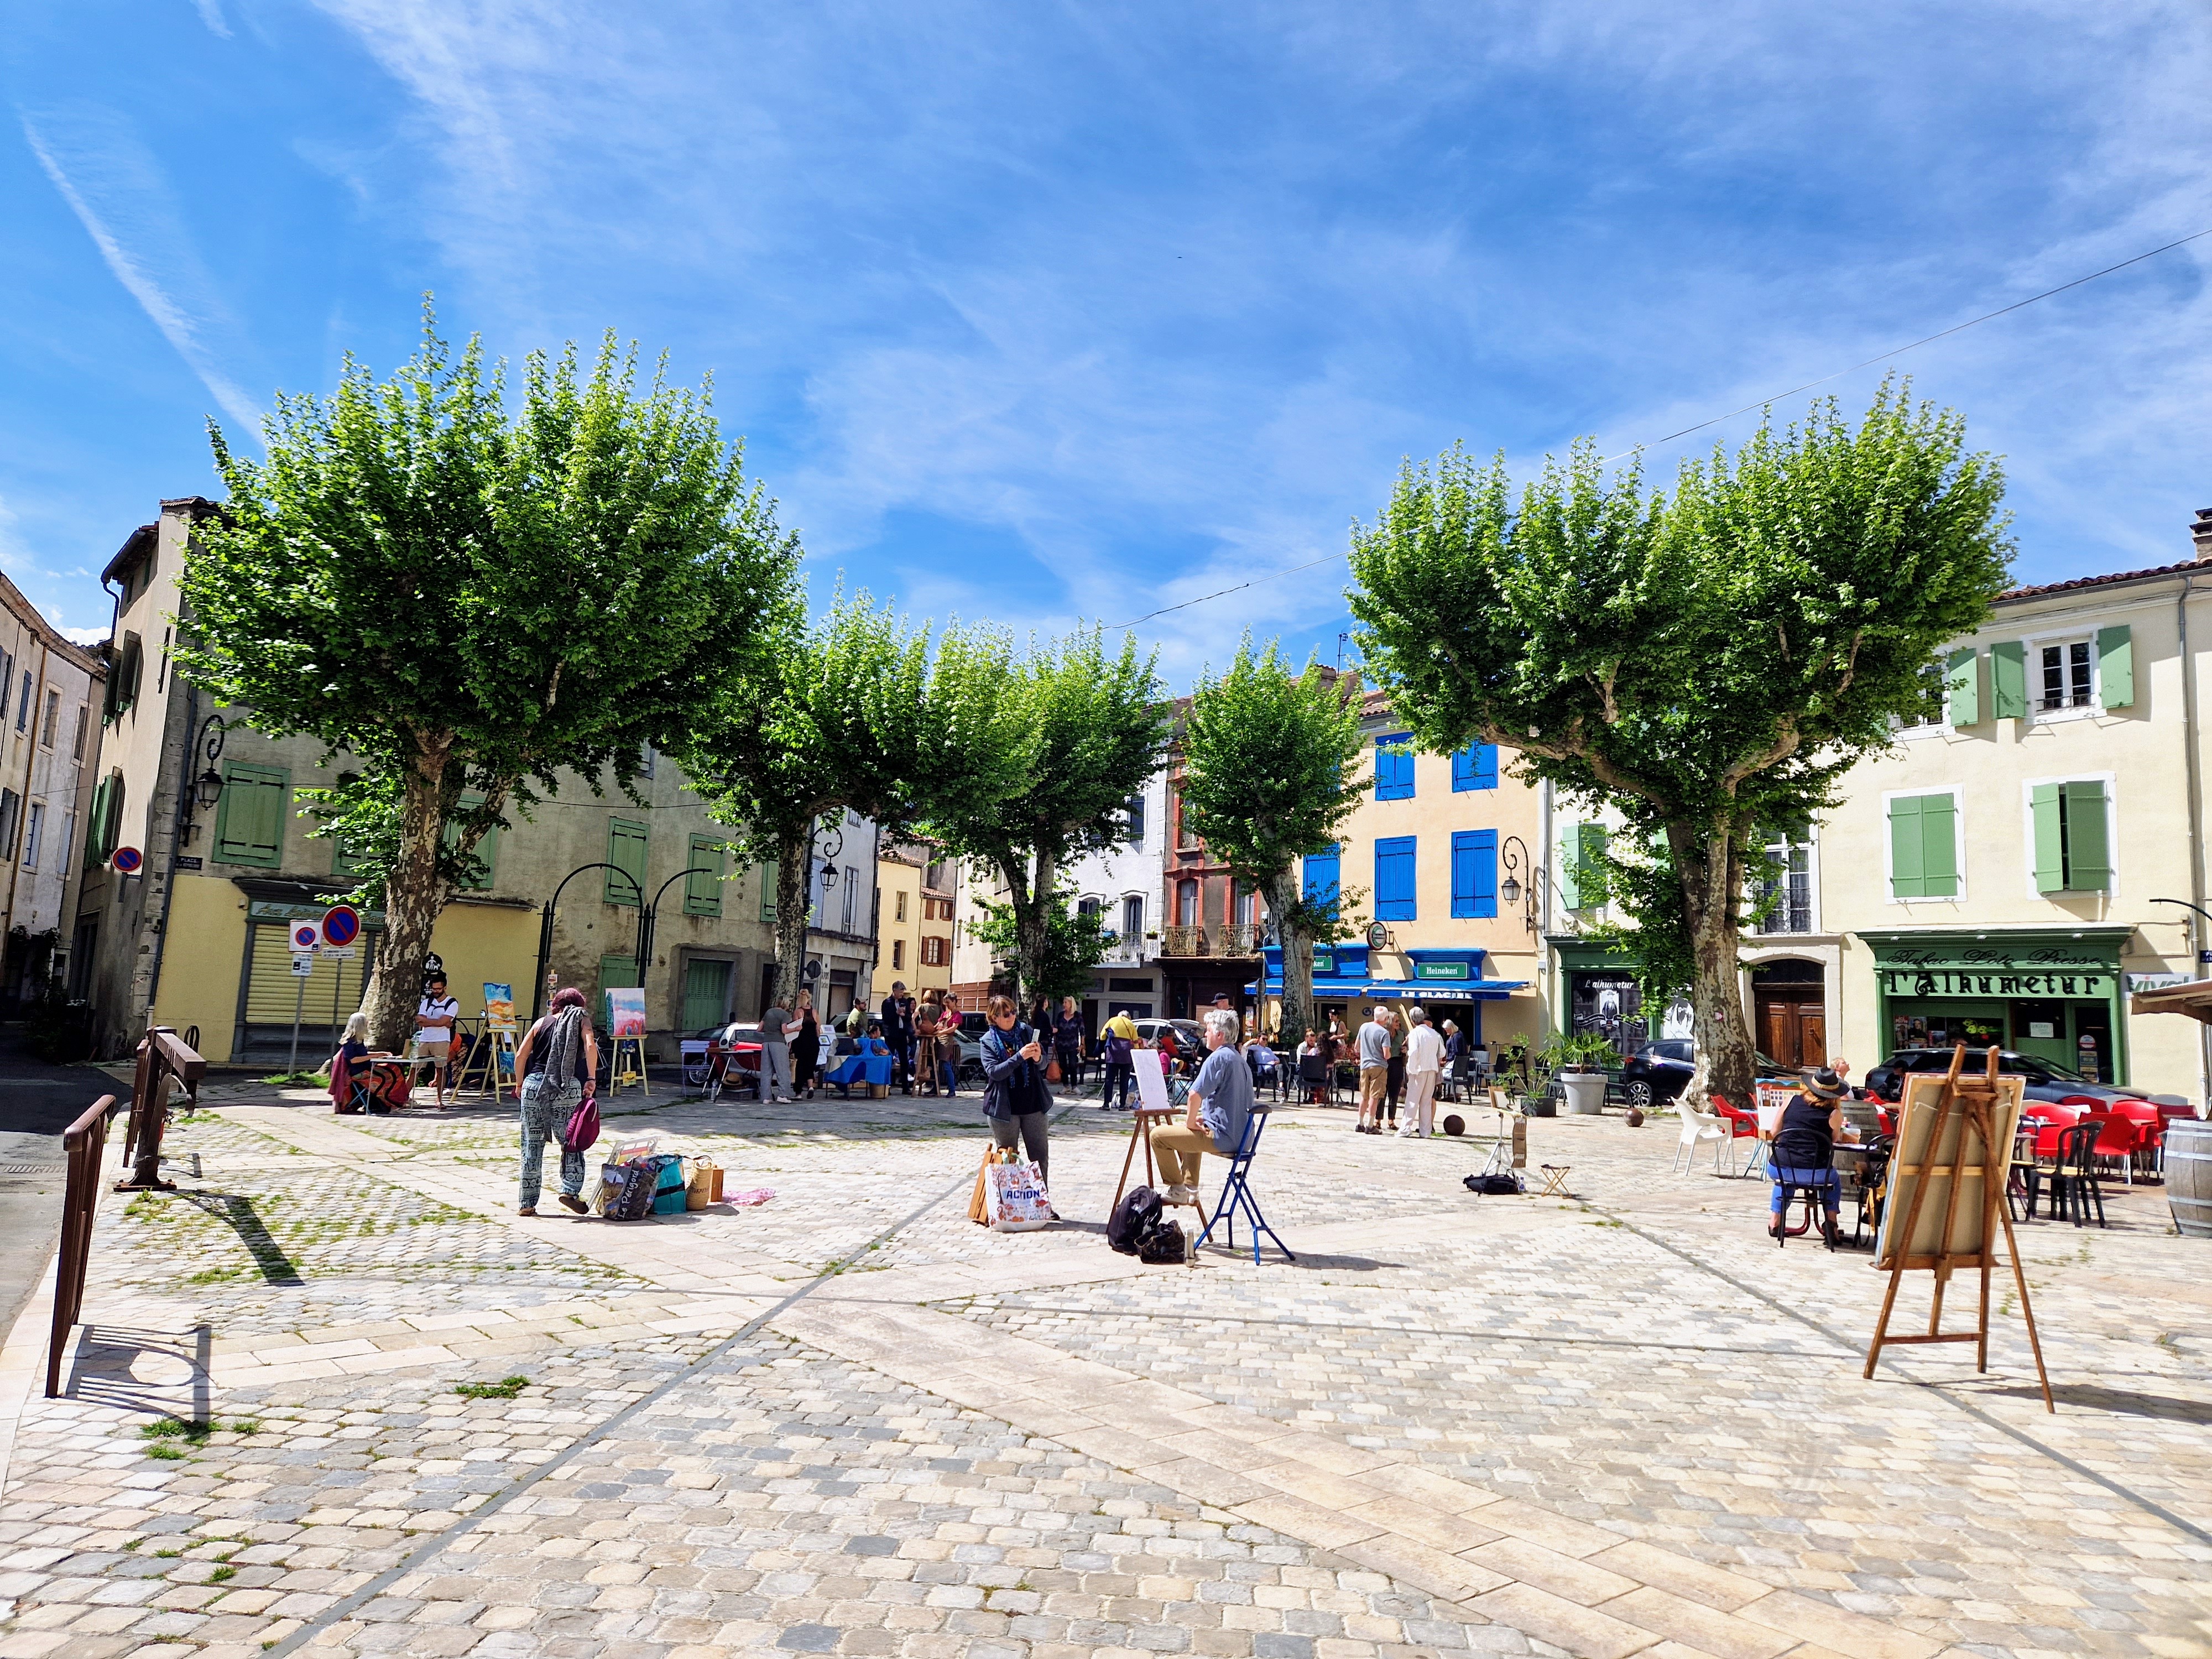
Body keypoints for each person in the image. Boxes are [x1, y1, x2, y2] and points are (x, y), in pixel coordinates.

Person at [1151, 1009, 1255, 1204]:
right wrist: (1205, 1119)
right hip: (1243, 1139)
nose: (1205, 1034)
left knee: (1157, 1136)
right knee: (1196, 1129)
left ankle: (1177, 1188)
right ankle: (1190, 1187)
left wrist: (1191, 1121)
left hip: (1225, 1138)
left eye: (1208, 1030)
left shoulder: (1218, 1058)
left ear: (1219, 1034)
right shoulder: (1240, 1061)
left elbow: (1194, 1094)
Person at [513, 987, 598, 1216]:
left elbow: (521, 1055)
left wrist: (520, 1084)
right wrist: (591, 1078)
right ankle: (570, 1191)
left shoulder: (541, 1023)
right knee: (571, 1140)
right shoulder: (581, 1020)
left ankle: (527, 1203)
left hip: (534, 1085)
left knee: (531, 1144)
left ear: (556, 1005)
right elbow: (590, 1046)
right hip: (566, 1085)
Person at [980, 994, 1056, 1213]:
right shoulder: (988, 1041)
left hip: (1034, 1105)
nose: (1012, 1016)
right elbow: (995, 1072)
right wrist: (1020, 1057)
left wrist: (1038, 1058)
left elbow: (1042, 1065)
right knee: (1008, 1158)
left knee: (1040, 1158)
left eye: (1013, 1011)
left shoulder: (1025, 1031)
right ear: (994, 1017)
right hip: (1005, 1109)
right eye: (1006, 1014)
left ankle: (1042, 1206)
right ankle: (1010, 1208)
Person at [1771, 1066, 1851, 1245]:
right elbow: (1834, 1140)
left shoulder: (1790, 1100)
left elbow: (1775, 1132)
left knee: (1785, 1180)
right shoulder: (1834, 1113)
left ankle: (1775, 1221)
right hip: (1816, 1171)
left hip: (1781, 1167)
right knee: (1832, 1180)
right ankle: (1831, 1224)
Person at [1400, 1005, 1444, 1138]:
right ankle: (1426, 1132)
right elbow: (1442, 1052)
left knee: (1412, 1100)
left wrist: (1410, 1069)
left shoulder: (1415, 1033)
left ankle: (1405, 1129)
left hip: (1418, 1069)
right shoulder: (1434, 1033)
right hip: (1432, 1069)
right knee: (1426, 1101)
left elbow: (1413, 1052)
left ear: (1412, 1020)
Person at [415, 973, 460, 1105]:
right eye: (433, 989)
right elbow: (419, 1020)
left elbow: (441, 1022)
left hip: (441, 1039)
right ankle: (403, 1098)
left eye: (438, 989)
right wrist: (440, 1022)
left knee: (440, 1069)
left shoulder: (452, 1003)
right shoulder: (427, 1002)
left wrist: (429, 1021)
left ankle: (439, 1100)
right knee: (415, 1069)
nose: (435, 991)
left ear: (445, 988)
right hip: (424, 1038)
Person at [1356, 1006, 1391, 1133]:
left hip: (1365, 1065)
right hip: (1379, 1066)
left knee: (1364, 1096)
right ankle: (1370, 1125)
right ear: (1386, 1018)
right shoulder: (1384, 1033)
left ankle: (1360, 1123)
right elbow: (1386, 1055)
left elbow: (1356, 1047)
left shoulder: (1364, 1027)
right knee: (1374, 1097)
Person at [757, 993, 794, 1103]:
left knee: (766, 1071)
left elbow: (759, 1028)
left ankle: (765, 1097)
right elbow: (784, 1030)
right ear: (786, 1004)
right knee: (782, 1070)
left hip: (766, 1042)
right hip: (778, 1043)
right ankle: (783, 1095)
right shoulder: (785, 1014)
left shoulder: (768, 1012)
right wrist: (796, 1029)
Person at [880, 981, 916, 1093]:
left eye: (903, 992)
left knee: (904, 1061)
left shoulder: (904, 1002)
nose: (902, 994)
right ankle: (888, 1086)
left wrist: (904, 1015)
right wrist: (896, 1013)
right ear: (894, 991)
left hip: (902, 1034)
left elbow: (910, 1017)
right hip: (891, 1035)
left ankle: (905, 1087)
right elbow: (886, 1019)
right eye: (900, 992)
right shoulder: (887, 1003)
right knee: (889, 1061)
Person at [1101, 1009, 1137, 1109]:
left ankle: (1106, 1104)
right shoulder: (1131, 1024)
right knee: (1124, 1080)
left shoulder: (1112, 1021)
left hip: (1113, 1053)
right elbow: (1135, 1041)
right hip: (1126, 1054)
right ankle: (1122, 1105)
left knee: (1109, 1079)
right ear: (1128, 1017)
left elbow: (1102, 1036)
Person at [790, 989, 822, 1099]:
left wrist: (790, 1044)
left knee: (800, 1066)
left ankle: (798, 1093)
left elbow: (795, 1029)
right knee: (810, 1066)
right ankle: (810, 1087)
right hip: (813, 1043)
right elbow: (818, 1029)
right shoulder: (815, 1012)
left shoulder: (798, 1012)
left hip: (801, 1042)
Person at [1053, 996, 1085, 1090]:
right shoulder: (1060, 1015)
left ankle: (1074, 1086)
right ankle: (1066, 1086)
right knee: (1063, 1065)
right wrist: (1055, 1043)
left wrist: (1082, 1044)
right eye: (1063, 1002)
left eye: (1066, 1003)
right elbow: (1056, 1030)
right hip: (1061, 1044)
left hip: (1073, 1044)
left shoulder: (1077, 1016)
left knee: (1073, 1065)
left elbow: (1082, 1031)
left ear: (1071, 1004)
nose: (1064, 1005)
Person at [914, 995, 943, 1098]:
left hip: (925, 1036)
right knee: (933, 1062)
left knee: (925, 1061)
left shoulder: (922, 1007)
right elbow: (942, 1020)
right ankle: (934, 1085)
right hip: (934, 1037)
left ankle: (924, 1079)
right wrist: (935, 1029)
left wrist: (916, 1029)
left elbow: (913, 1017)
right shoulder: (939, 1008)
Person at [1383, 1006, 1407, 1130]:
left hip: (1397, 1063)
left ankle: (1391, 1120)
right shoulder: (1383, 1033)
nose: (1398, 1023)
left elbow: (1406, 1048)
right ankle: (1378, 1119)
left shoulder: (1401, 1034)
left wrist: (1405, 1050)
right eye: (1396, 1021)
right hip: (1385, 1063)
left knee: (1394, 1093)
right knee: (1382, 1093)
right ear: (1390, 1022)